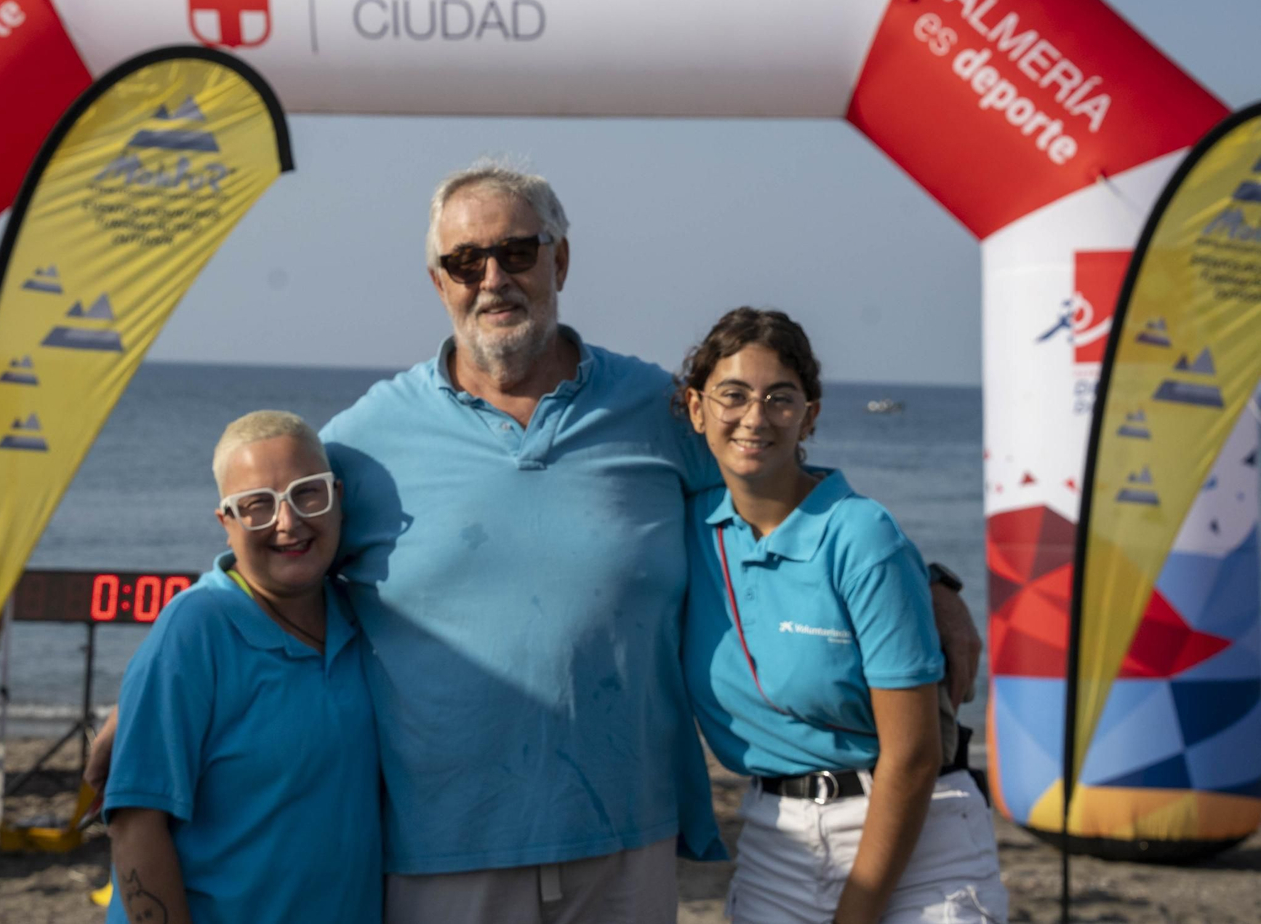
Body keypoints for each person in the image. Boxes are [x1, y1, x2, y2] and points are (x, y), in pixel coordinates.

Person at [90, 161, 983, 923]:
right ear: (437, 279)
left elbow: (785, 498)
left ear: (561, 257)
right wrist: (165, 692)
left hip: (627, 840)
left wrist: (926, 581)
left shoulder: (658, 409)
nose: (493, 278)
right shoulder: (366, 440)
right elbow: (279, 543)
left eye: (517, 251)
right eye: (465, 260)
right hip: (440, 850)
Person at [676, 307, 1006, 923]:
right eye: (733, 395)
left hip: (917, 836)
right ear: (697, 409)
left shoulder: (862, 535)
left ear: (811, 415)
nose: (755, 416)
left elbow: (912, 755)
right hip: (774, 840)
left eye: (780, 397)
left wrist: (857, 913)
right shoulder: (685, 528)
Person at [104, 411, 380, 924]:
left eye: (308, 493)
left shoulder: (364, 621)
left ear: (338, 498)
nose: (288, 522)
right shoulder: (194, 629)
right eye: (257, 506)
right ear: (225, 523)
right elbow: (135, 823)